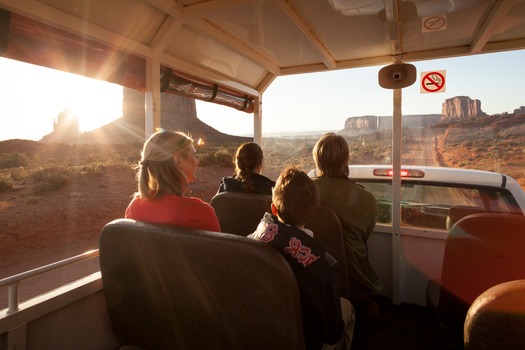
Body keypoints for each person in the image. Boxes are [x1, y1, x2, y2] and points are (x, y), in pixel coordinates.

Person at [249, 166, 355, 350]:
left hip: (261, 332)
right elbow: (331, 332)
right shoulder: (324, 264)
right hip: (305, 341)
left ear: (273, 208)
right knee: (348, 309)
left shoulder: (250, 243)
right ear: (313, 210)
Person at [311, 132, 382, 328]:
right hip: (352, 277)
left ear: (317, 159)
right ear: (346, 160)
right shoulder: (365, 198)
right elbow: (365, 235)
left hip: (310, 269)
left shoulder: (305, 191)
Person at [125, 130, 220, 232]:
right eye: (194, 156)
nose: (197, 163)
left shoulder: (135, 208)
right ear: (178, 159)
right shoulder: (202, 212)